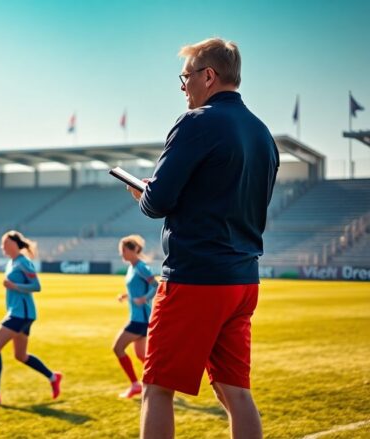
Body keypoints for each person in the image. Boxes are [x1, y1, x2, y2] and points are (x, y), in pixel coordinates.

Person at [126, 38, 278, 439]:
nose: (183, 86)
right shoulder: (263, 133)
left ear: (208, 76)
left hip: (196, 277)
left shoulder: (197, 121)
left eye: (186, 76)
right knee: (236, 392)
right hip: (243, 279)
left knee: (156, 388)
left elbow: (158, 201)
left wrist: (144, 194)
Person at [0, 231, 62, 405]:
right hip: (18, 313)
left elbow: (36, 286)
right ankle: (53, 377)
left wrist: (14, 285)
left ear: (14, 244)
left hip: (21, 314)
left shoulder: (23, 262)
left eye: (5, 243)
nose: (2, 247)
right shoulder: (12, 263)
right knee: (20, 356)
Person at [113, 235, 158, 399]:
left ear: (133, 250)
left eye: (123, 250)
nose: (121, 254)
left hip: (141, 319)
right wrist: (126, 296)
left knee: (117, 348)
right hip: (138, 318)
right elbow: (137, 288)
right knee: (141, 355)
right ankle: (160, 382)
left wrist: (145, 298)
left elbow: (156, 286)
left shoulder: (141, 267)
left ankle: (135, 385)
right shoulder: (132, 267)